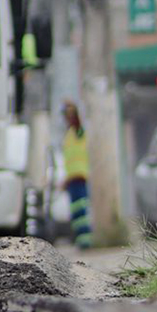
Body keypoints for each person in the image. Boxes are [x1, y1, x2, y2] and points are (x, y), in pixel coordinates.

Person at [62, 101, 92, 249]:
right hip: (72, 178)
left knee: (81, 211)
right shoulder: (69, 134)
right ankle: (81, 240)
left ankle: (85, 241)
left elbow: (78, 123)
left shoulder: (78, 131)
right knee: (76, 212)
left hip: (80, 176)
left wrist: (73, 108)